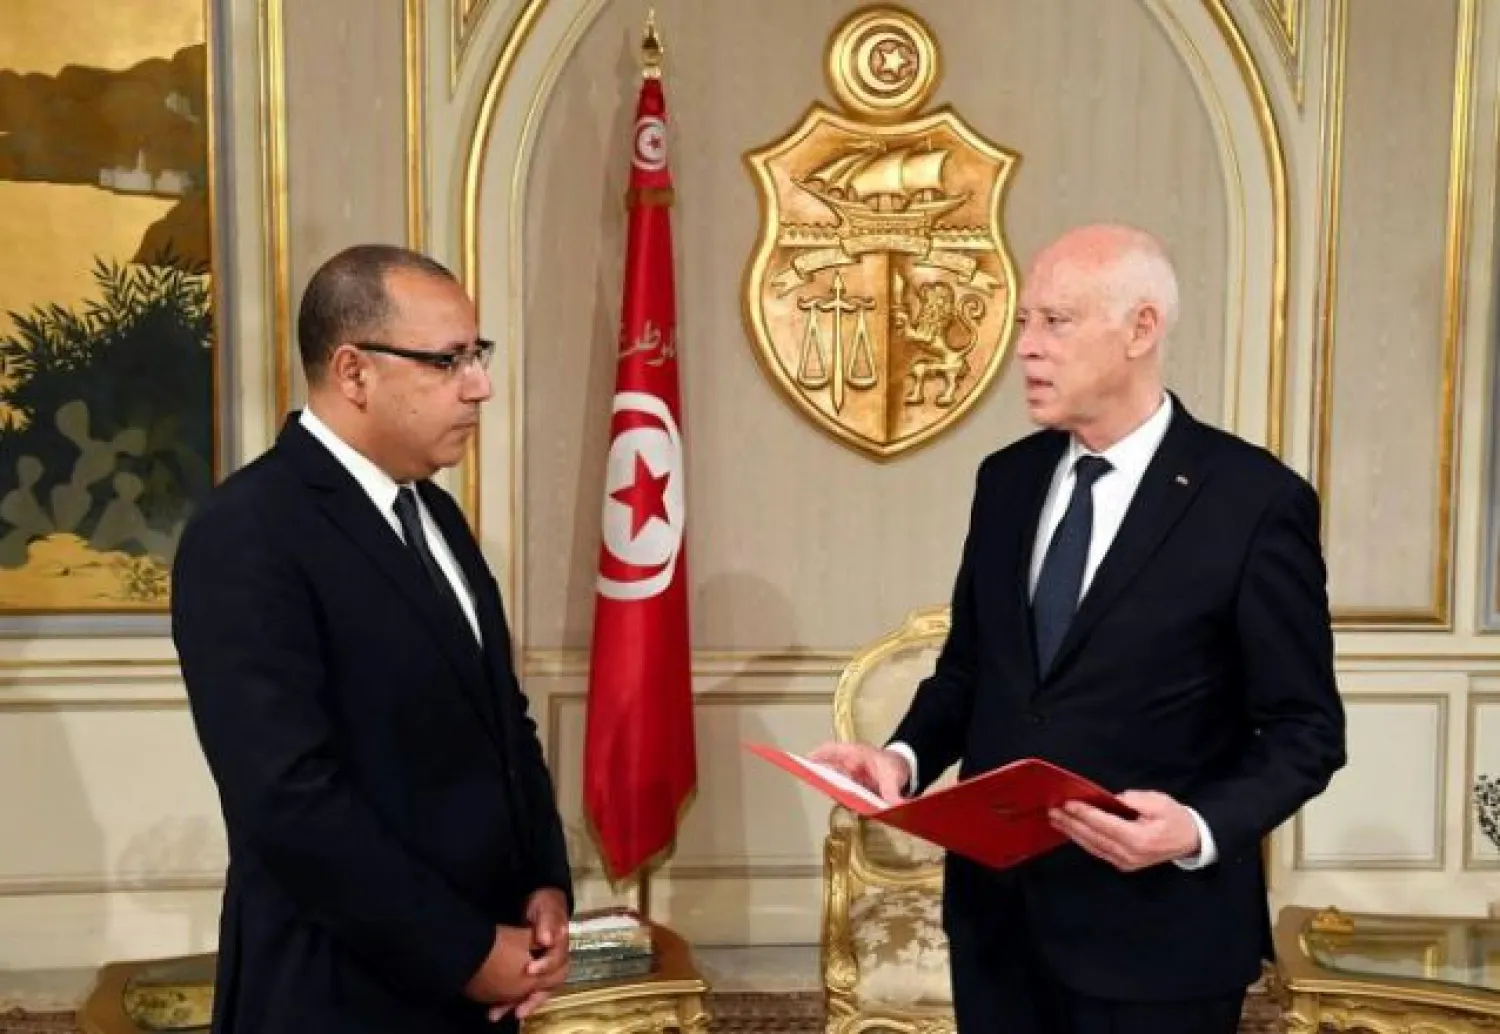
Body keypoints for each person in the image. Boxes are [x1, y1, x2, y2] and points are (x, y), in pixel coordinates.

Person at [811, 224, 1346, 1034]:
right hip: (998, 925)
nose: (1025, 348)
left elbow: (1306, 730)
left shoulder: (1253, 501)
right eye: (1025, 321)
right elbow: (970, 671)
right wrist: (902, 756)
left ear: (1142, 329)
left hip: (1159, 936)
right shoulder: (1007, 481)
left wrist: (1196, 829)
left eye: (1055, 323)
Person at [171, 244, 573, 1033]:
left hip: (481, 989)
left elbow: (504, 723)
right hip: (333, 996)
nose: (480, 385)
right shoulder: (247, 532)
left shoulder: (438, 516)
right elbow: (289, 801)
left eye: (478, 354)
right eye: (448, 360)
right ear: (353, 371)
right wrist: (462, 950)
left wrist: (543, 882)